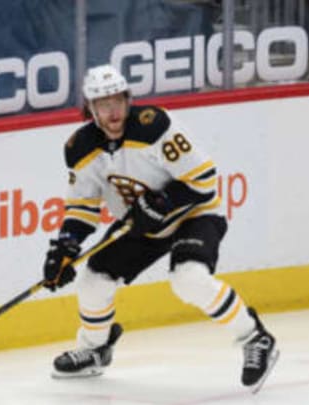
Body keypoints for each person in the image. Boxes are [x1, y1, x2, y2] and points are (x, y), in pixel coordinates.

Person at [41, 64, 279, 393]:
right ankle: (96, 348)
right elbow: (82, 207)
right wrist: (64, 248)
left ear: (128, 99)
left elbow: (204, 181)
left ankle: (256, 337)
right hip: (141, 225)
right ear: (90, 109)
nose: (114, 111)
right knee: (93, 281)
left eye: (118, 101)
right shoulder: (80, 148)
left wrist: (162, 203)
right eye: (104, 104)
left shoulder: (155, 126)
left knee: (189, 278)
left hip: (194, 213)